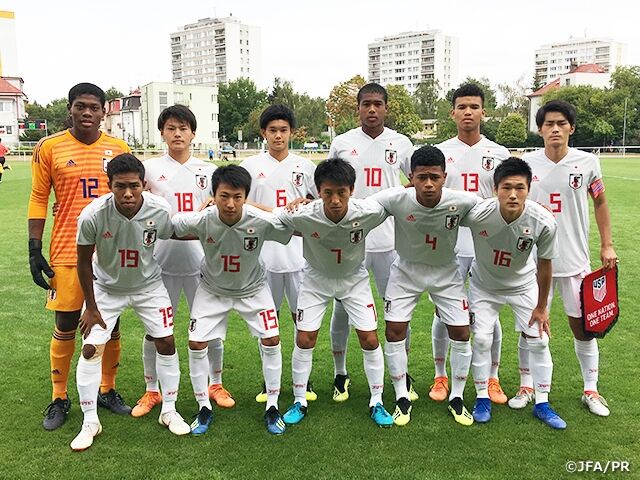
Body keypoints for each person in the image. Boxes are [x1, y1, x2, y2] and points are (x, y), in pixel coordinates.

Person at [28, 83, 132, 431]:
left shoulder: (118, 149)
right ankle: (59, 396)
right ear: (70, 109)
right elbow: (39, 197)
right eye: (80, 106)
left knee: (110, 323)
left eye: (94, 107)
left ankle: (107, 389)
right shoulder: (49, 146)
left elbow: (130, 196)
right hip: (67, 250)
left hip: (110, 252)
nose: (87, 112)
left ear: (103, 112)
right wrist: (33, 246)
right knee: (66, 323)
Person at [71, 154, 190, 451]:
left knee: (166, 342)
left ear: (143, 184)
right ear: (109, 185)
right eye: (120, 186)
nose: (127, 193)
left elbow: (175, 231)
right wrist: (91, 307)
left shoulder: (159, 209)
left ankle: (169, 410)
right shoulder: (92, 214)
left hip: (148, 286)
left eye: (133, 186)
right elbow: (83, 262)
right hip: (106, 289)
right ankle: (90, 421)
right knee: (90, 349)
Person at [172, 165, 294, 435]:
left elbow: (288, 224)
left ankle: (272, 406)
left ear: (246, 197)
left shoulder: (260, 220)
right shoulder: (202, 219)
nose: (230, 204)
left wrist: (296, 207)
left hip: (253, 289)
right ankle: (203, 407)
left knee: (272, 339)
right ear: (213, 195)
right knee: (196, 342)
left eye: (237, 197)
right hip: (212, 290)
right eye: (224, 196)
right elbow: (171, 224)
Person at [274, 158, 393, 428]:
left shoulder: (368, 211)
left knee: (369, 338)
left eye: (341, 192)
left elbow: (396, 201)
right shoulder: (304, 214)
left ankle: (376, 400)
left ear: (352, 190)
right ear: (318, 191)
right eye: (328, 193)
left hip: (354, 280)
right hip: (316, 280)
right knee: (304, 338)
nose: (335, 200)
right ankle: (299, 400)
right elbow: (272, 215)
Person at [132, 105, 233, 417]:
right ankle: (152, 389)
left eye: (183, 128)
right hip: (158, 263)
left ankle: (216, 384)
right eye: (171, 128)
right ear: (162, 133)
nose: (177, 134)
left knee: (211, 328)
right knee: (156, 330)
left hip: (203, 263)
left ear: (193, 133)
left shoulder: (209, 171)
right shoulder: (148, 169)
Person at [517, 100, 617, 416]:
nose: (555, 129)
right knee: (530, 326)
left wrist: (607, 245)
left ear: (571, 128)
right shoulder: (526, 163)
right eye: (549, 124)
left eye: (561, 123)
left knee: (583, 327)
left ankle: (591, 389)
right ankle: (526, 386)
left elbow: (600, 203)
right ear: (540, 130)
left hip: (574, 259)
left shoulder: (588, 163)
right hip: (533, 262)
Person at [371, 146, 477, 427]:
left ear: (444, 177)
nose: (428, 184)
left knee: (461, 332)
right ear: (411, 177)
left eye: (434, 177)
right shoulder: (396, 198)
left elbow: (494, 209)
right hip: (406, 271)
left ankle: (457, 396)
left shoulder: (462, 200)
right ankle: (401, 396)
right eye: (421, 177)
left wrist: (533, 208)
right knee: (394, 330)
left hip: (446, 271)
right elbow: (357, 207)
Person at [463, 157, 566, 429]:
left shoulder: (543, 221)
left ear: (529, 190)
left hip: (523, 285)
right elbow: (445, 213)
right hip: (484, 286)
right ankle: (482, 397)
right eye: (506, 187)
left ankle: (542, 403)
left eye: (520, 188)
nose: (513, 194)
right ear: (495, 189)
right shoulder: (477, 213)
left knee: (540, 341)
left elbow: (545, 264)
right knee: (481, 339)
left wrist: (542, 307)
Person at [327, 83, 415, 402]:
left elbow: (416, 181)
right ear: (359, 108)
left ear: (386, 108)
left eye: (378, 103)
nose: (372, 109)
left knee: (397, 310)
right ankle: (340, 373)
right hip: (350, 241)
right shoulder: (342, 143)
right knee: (342, 308)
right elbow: (327, 185)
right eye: (366, 104)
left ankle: (402, 373)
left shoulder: (402, 143)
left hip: (390, 242)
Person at [430, 83, 510, 405]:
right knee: (443, 311)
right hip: (448, 244)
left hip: (486, 244)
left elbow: (508, 198)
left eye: (474, 107)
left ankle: (492, 377)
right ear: (452, 113)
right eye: (462, 107)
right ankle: (440, 375)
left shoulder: (499, 153)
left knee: (490, 312)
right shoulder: (440, 152)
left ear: (483, 112)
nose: (468, 112)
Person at [240, 104, 318, 403]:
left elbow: (316, 202)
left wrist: (303, 206)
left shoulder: (306, 167)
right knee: (267, 323)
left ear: (291, 132)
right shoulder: (250, 166)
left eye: (283, 130)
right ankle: (268, 381)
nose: (278, 135)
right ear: (263, 132)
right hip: (263, 256)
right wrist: (277, 212)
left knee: (303, 321)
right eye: (272, 130)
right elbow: (241, 203)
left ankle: (304, 380)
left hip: (299, 256)